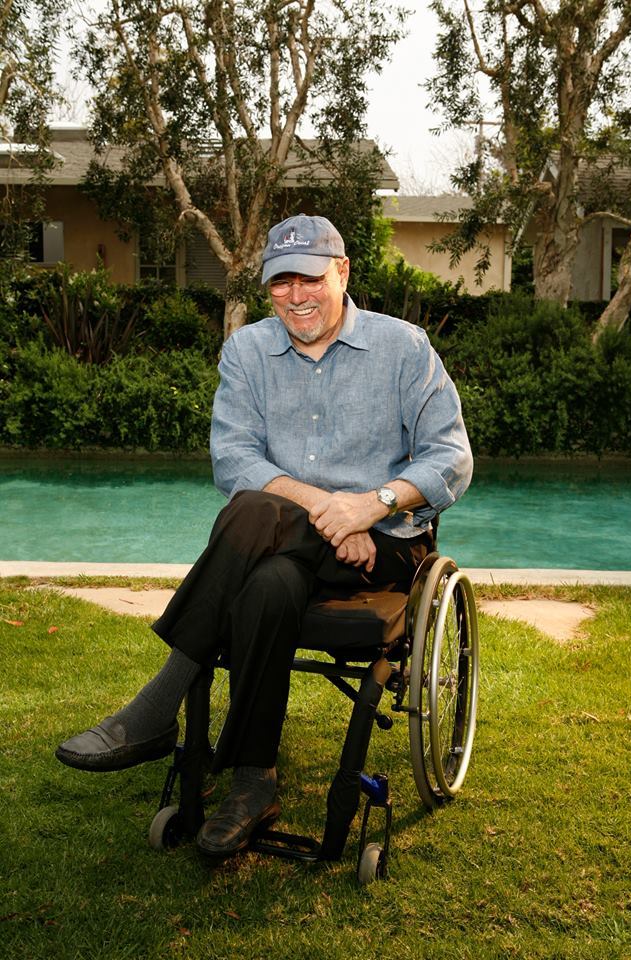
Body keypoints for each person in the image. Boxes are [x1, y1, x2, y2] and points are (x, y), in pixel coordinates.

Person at [56, 214, 473, 860]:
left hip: (383, 547)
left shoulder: (405, 348)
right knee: (266, 575)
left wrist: (371, 505)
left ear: (342, 272)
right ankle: (254, 782)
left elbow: (451, 458)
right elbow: (234, 461)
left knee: (254, 513)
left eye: (309, 277)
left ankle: (155, 706)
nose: (295, 295)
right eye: (280, 282)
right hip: (289, 546)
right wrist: (330, 511)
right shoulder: (248, 351)